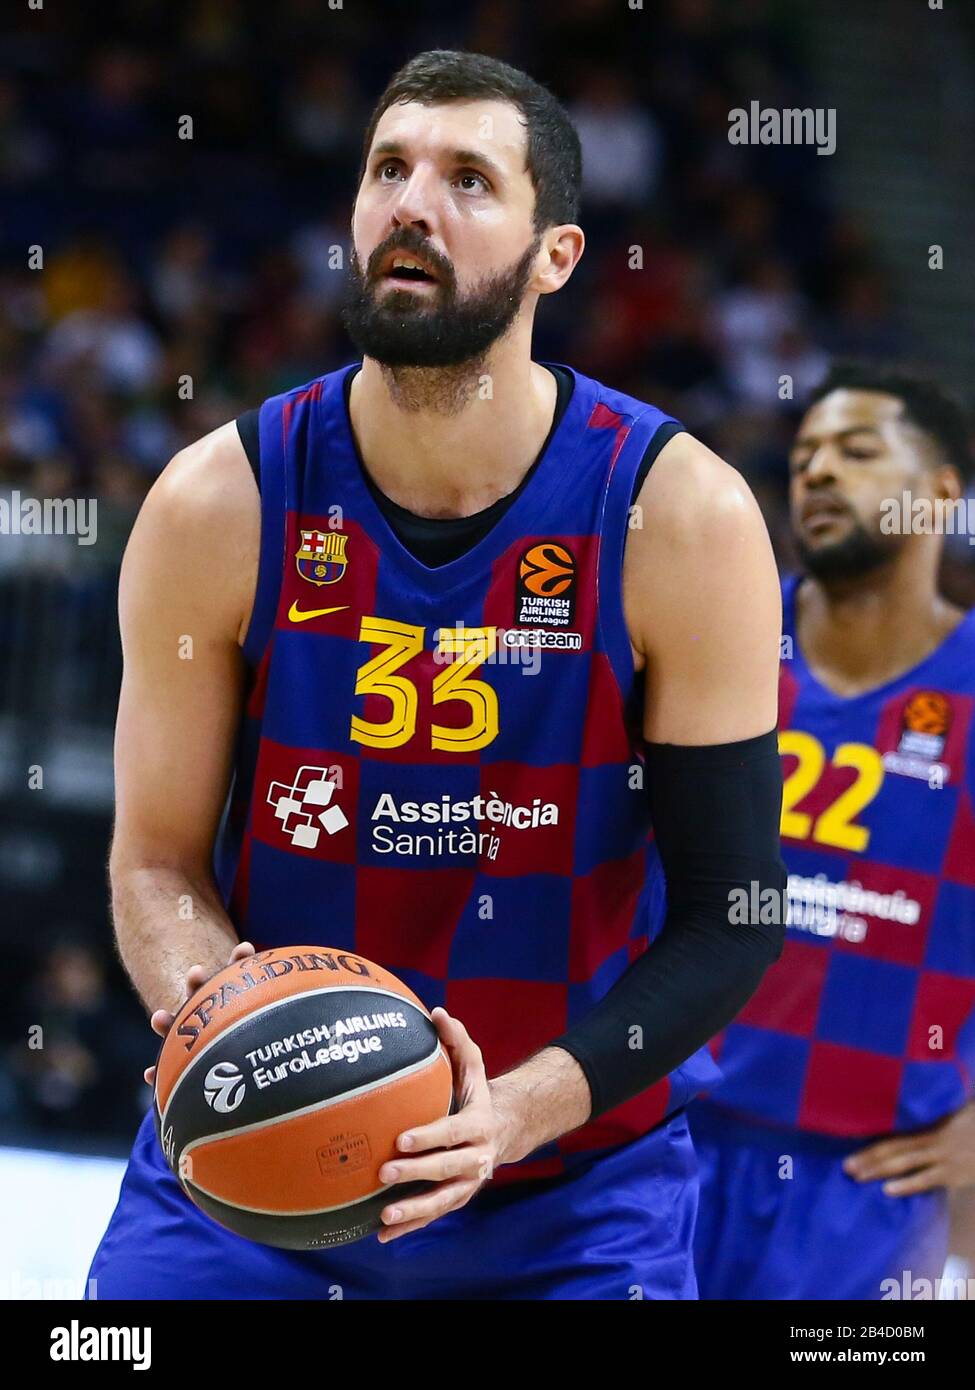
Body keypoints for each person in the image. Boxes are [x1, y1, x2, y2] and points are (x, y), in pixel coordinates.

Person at [87, 50, 784, 1301]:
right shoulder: (218, 502)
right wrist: (226, 1016)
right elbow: (155, 860)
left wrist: (515, 1111)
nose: (413, 203)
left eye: (469, 179)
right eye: (388, 169)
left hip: (571, 1190)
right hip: (258, 1179)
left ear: (556, 256)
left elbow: (733, 909)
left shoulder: (681, 519)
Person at [692, 363, 975, 1301]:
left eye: (855, 452)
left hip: (866, 1188)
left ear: (940, 494)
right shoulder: (714, 637)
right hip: (657, 1148)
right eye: (805, 453)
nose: (815, 471)